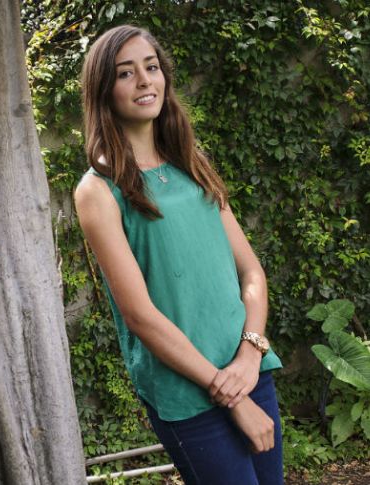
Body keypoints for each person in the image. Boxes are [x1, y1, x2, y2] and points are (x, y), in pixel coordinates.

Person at [73, 24, 285, 485]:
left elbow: (251, 272)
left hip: (248, 371)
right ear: (104, 90)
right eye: (125, 73)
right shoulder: (99, 191)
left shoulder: (192, 164)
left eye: (151, 67)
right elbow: (140, 316)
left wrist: (250, 355)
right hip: (188, 393)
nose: (144, 81)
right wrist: (229, 393)